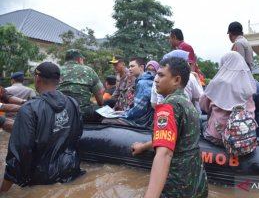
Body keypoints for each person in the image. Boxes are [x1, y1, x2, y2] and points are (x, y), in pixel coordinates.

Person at [0, 62, 84, 192]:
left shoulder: (29, 109)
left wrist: (4, 191)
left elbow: (19, 153)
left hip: (42, 180)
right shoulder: (73, 103)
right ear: (58, 81)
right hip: (71, 171)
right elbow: (77, 136)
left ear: (37, 79)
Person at [131, 57, 208, 197]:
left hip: (176, 185)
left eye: (161, 75)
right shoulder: (188, 104)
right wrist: (143, 147)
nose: (155, 79)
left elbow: (165, 153)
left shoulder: (168, 107)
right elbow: (174, 139)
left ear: (176, 80)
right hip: (196, 181)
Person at [200, 51, 256, 145]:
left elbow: (203, 105)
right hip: (244, 137)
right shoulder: (248, 84)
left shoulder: (217, 83)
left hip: (218, 137)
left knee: (202, 124)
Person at [103, 57, 154, 128]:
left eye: (132, 66)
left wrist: (124, 113)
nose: (130, 69)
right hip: (132, 112)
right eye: (129, 66)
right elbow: (118, 93)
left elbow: (138, 109)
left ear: (141, 67)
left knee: (106, 121)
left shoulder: (142, 83)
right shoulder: (141, 80)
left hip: (141, 121)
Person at [58, 49, 104, 122]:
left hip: (60, 113)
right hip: (83, 114)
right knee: (102, 110)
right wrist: (100, 104)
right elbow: (100, 93)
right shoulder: (89, 70)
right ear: (80, 59)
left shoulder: (57, 70)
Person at [150, 50, 203, 114]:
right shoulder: (191, 77)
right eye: (186, 61)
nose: (156, 80)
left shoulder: (168, 107)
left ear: (177, 80)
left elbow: (154, 104)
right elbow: (200, 98)